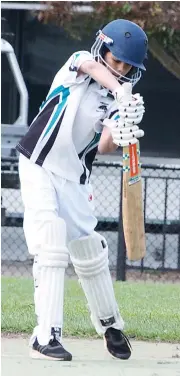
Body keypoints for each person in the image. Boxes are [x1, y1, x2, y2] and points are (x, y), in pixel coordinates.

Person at [17, 19, 148, 361]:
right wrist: (120, 91)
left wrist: (122, 132)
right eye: (114, 59)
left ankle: (110, 325)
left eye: (126, 66)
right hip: (39, 163)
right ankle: (45, 337)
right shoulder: (78, 64)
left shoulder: (123, 98)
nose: (119, 68)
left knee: (90, 250)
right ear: (102, 49)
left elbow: (103, 145)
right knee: (51, 243)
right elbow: (90, 66)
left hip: (74, 175)